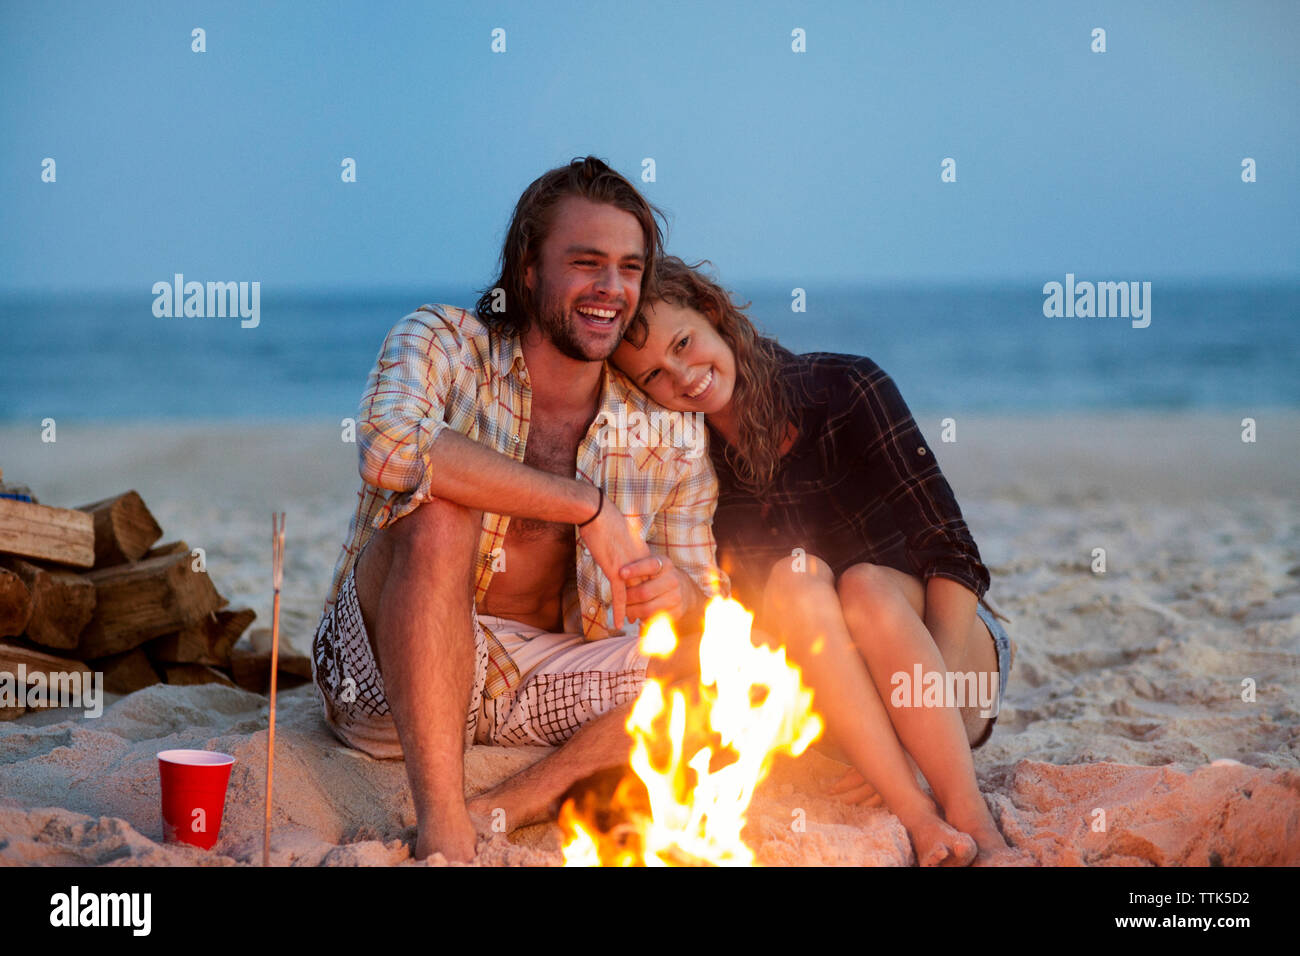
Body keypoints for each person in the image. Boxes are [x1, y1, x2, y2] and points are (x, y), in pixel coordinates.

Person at [310, 160, 725, 863]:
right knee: (441, 510)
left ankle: (503, 804)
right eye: (586, 263)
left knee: (719, 662)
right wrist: (585, 507)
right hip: (384, 675)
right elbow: (388, 449)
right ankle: (443, 826)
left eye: (628, 268)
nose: (610, 289)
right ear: (529, 269)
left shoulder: (668, 434)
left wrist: (676, 593)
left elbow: (707, 603)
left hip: (540, 692)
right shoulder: (445, 343)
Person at [611, 256, 1022, 865]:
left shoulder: (847, 388)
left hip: (953, 661)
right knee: (796, 579)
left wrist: (917, 717)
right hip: (838, 710)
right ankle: (917, 819)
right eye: (653, 376)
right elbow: (738, 623)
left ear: (714, 314)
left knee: (864, 587)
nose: (681, 375)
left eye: (683, 342)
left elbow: (953, 553)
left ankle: (974, 823)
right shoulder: (691, 466)